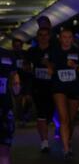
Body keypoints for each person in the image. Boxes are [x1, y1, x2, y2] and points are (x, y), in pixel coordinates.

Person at [48, 25, 79, 160]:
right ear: (60, 39)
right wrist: (50, 68)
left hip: (74, 88)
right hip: (59, 88)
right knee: (64, 118)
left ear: (72, 39)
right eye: (64, 37)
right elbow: (49, 64)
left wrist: (76, 67)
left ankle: (68, 140)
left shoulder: (78, 52)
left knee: (71, 119)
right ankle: (66, 149)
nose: (67, 40)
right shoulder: (54, 51)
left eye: (69, 37)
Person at [25, 16, 56, 153]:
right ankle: (44, 142)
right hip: (38, 87)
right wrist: (28, 67)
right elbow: (26, 67)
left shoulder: (55, 50)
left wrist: (49, 65)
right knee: (41, 114)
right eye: (40, 35)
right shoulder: (32, 52)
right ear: (37, 37)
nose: (43, 38)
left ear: (49, 36)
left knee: (50, 114)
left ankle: (54, 127)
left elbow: (58, 67)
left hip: (53, 87)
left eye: (45, 35)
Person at [0, 44, 21, 164]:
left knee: (4, 149)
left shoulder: (8, 55)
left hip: (4, 108)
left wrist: (16, 86)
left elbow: (14, 77)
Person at [10, 35, 32, 124]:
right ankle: (21, 116)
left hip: (26, 79)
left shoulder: (26, 54)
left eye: (19, 46)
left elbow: (30, 66)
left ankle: (26, 113)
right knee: (18, 99)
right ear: (13, 46)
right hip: (15, 79)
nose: (17, 47)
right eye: (15, 46)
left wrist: (28, 67)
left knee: (28, 98)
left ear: (22, 46)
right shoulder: (10, 55)